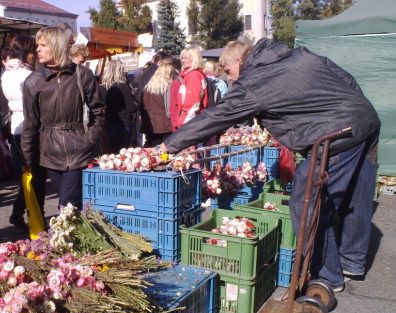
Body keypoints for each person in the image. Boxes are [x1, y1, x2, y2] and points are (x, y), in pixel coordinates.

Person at [158, 39, 381, 293]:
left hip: (336, 134)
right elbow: (345, 77)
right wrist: (354, 107)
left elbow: (216, 117)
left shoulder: (255, 82)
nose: (229, 79)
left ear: (240, 62)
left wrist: (167, 147)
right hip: (364, 118)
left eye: (228, 71)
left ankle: (328, 277)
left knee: (306, 200)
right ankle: (352, 261)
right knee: (357, 196)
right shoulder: (297, 55)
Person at [21, 26, 105, 210]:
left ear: (57, 46)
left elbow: (98, 110)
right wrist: (28, 159)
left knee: (67, 205)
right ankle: (79, 235)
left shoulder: (82, 74)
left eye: (43, 45)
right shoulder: (33, 81)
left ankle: (68, 236)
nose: (37, 49)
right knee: (71, 204)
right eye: (38, 45)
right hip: (50, 152)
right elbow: (30, 123)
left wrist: (89, 138)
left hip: (78, 149)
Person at [1, 35, 46, 230]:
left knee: (28, 172)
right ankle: (36, 215)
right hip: (31, 125)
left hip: (16, 126)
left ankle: (19, 211)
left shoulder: (7, 73)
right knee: (37, 174)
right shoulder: (28, 75)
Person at [101, 60, 138, 153]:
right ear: (120, 71)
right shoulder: (123, 87)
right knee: (121, 156)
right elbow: (130, 107)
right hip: (123, 124)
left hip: (107, 123)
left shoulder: (102, 88)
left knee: (109, 155)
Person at [140, 63, 176, 147]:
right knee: (165, 153)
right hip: (165, 125)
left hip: (150, 126)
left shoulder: (147, 88)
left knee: (152, 151)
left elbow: (142, 107)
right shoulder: (168, 87)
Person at [175, 46, 208, 129]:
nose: (183, 60)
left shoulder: (193, 75)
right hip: (192, 121)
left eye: (186, 58)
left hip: (190, 123)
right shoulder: (191, 75)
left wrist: (182, 123)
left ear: (194, 59)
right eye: (182, 58)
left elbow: (193, 104)